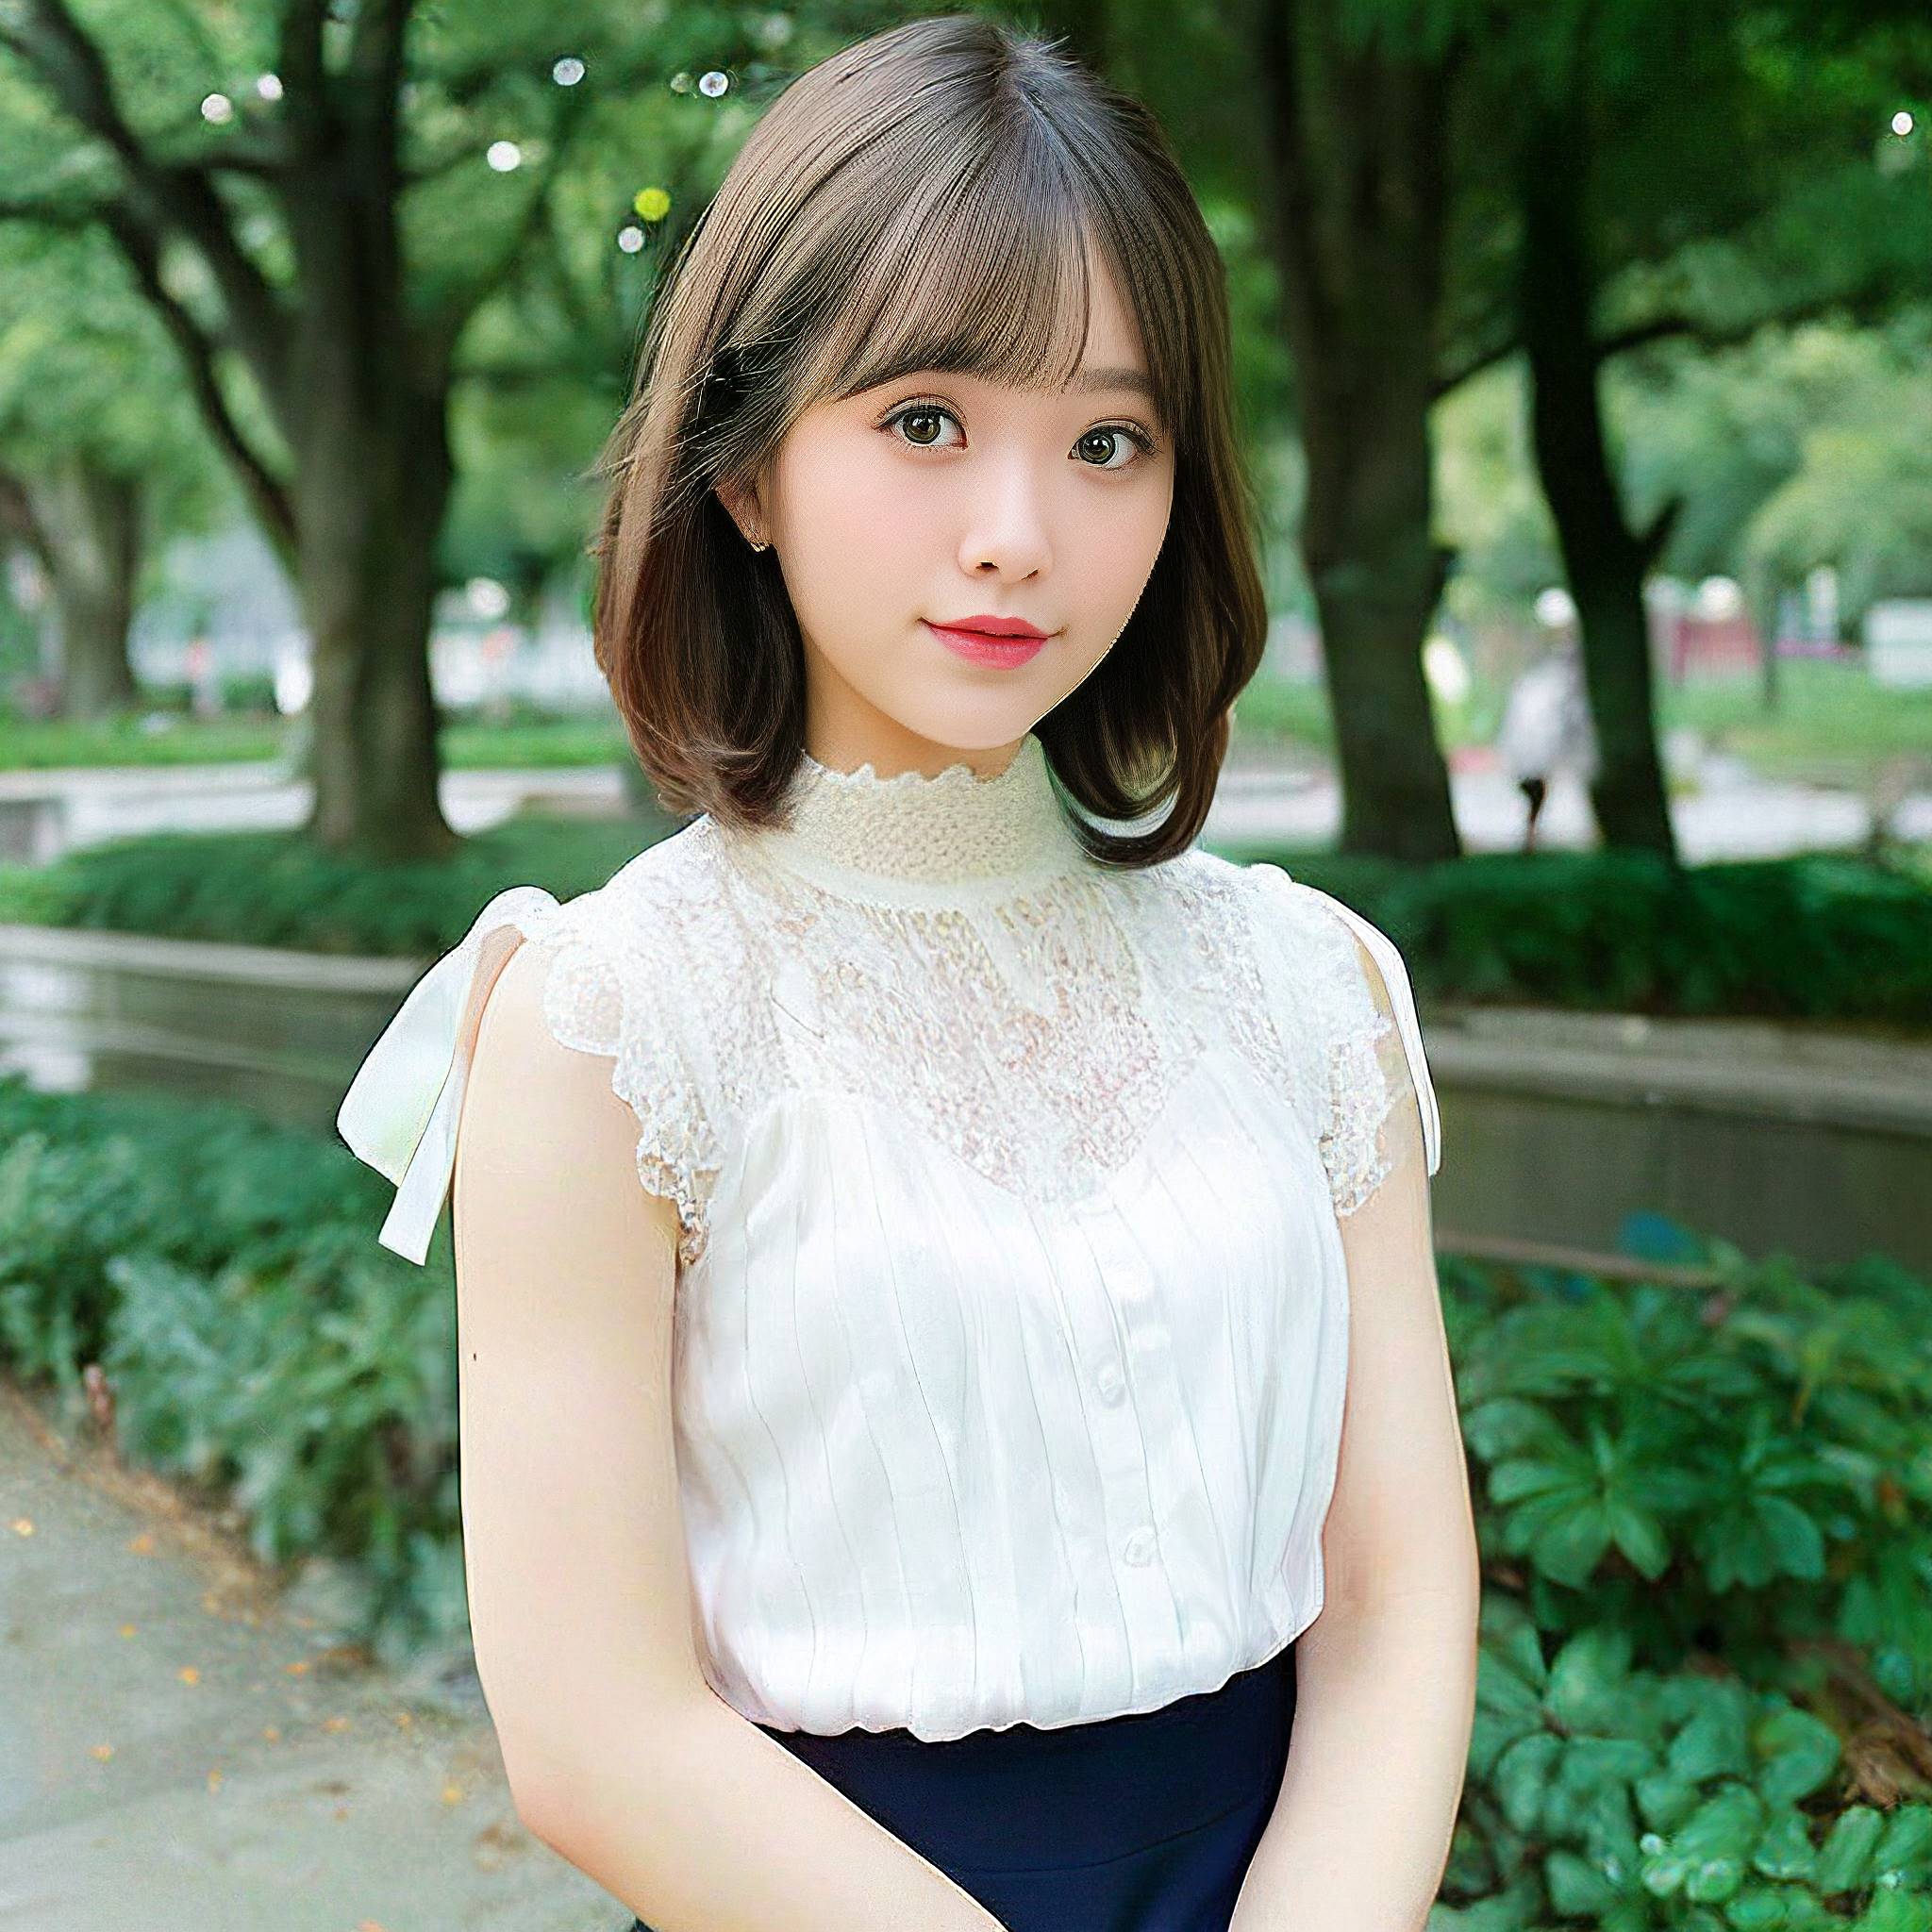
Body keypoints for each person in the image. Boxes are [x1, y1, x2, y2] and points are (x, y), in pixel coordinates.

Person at [335, 15, 1479, 1930]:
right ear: (749, 468)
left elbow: (1391, 1588)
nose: (1017, 536)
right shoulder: (609, 1018)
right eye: (924, 419)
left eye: (1106, 440)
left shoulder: (1306, 986)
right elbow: (599, 1727)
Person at [1495, 633, 1598, 852]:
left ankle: (1531, 837)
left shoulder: (1535, 683)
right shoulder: (1555, 685)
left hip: (1529, 752)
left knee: (1536, 794)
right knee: (1537, 793)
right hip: (1535, 751)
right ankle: (1531, 837)